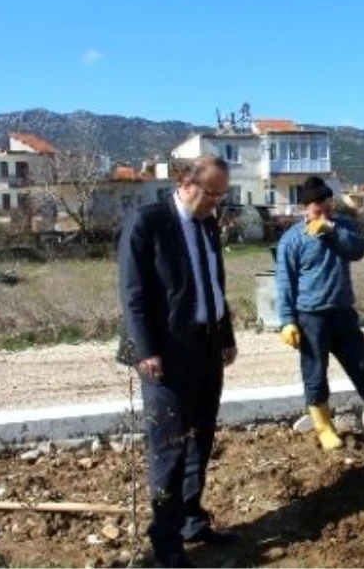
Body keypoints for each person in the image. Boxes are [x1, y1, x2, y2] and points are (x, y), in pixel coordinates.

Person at [116, 155, 240, 569]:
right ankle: (165, 543)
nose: (216, 204)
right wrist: (146, 350)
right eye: (212, 194)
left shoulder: (206, 224)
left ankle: (191, 520)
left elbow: (213, 286)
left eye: (222, 196)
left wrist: (225, 336)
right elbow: (132, 294)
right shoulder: (147, 222)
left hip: (206, 349)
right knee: (168, 449)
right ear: (187, 184)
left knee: (200, 441)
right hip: (164, 356)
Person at [275, 175, 364, 451]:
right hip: (311, 318)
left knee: (362, 367)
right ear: (305, 209)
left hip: (343, 313)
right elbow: (284, 282)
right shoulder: (292, 240)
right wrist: (287, 321)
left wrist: (331, 230)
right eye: (317, 209)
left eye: (328, 206)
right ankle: (324, 427)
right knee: (315, 374)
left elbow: (357, 250)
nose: (324, 212)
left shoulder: (343, 227)